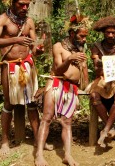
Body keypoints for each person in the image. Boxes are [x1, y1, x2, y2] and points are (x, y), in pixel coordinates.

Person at [0, 0, 48, 155]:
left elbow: (34, 48)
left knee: (32, 103)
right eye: (21, 4)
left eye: (27, 5)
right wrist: (16, 39)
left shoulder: (29, 22)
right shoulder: (3, 19)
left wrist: (39, 49)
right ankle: (5, 142)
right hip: (10, 67)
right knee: (9, 104)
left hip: (27, 66)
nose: (24, 8)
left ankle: (39, 140)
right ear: (12, 3)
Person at [35, 14, 91, 166]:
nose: (84, 39)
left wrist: (84, 69)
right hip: (56, 84)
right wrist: (69, 59)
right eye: (81, 36)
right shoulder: (58, 47)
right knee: (46, 119)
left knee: (67, 122)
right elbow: (59, 70)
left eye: (85, 37)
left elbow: (84, 80)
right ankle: (39, 154)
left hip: (71, 89)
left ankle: (67, 155)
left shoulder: (81, 51)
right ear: (72, 34)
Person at [88, 16, 115, 148]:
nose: (110, 35)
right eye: (108, 32)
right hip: (102, 78)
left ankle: (105, 130)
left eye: (113, 33)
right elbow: (96, 66)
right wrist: (104, 63)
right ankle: (109, 128)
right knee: (94, 95)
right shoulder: (96, 46)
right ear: (103, 33)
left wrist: (105, 62)